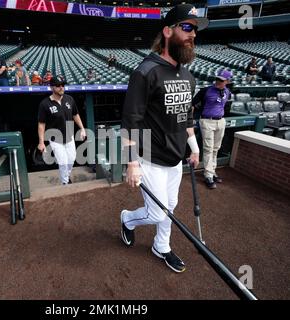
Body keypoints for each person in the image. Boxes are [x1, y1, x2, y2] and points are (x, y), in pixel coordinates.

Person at [120, 4, 208, 273]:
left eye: (195, 29)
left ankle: (162, 245)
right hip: (149, 157)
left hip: (175, 158)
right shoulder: (146, 71)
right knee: (158, 212)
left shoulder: (188, 75)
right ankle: (127, 219)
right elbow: (130, 121)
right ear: (168, 31)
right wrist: (131, 163)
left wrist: (193, 148)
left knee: (170, 206)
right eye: (187, 27)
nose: (192, 34)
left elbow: (187, 117)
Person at [37, 75, 86, 185]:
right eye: (58, 85)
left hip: (69, 135)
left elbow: (76, 115)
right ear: (52, 87)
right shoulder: (45, 104)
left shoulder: (69, 99)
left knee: (71, 160)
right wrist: (41, 142)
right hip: (55, 138)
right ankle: (65, 183)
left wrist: (82, 129)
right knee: (63, 162)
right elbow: (41, 124)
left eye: (63, 85)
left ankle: (66, 177)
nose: (61, 87)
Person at [192, 69, 232, 189]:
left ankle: (212, 171)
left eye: (222, 80)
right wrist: (190, 120)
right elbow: (192, 104)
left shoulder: (227, 91)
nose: (218, 81)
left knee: (216, 148)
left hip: (220, 121)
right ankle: (208, 175)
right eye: (218, 79)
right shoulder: (206, 90)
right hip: (207, 120)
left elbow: (225, 106)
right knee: (209, 148)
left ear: (228, 81)